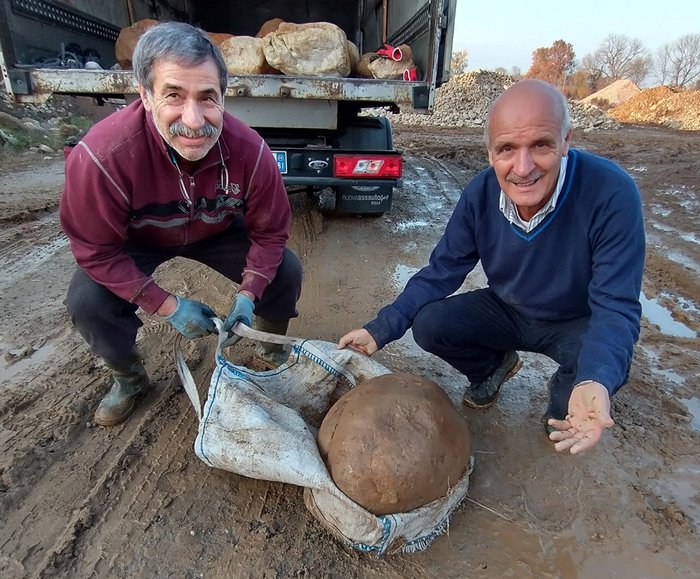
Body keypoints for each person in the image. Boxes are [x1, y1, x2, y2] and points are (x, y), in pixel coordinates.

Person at [338, 79, 645, 455]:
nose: (523, 167)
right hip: (509, 310)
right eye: (507, 149)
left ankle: (568, 389)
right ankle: (493, 367)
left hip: (576, 322)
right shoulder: (480, 194)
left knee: (577, 402)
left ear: (566, 140)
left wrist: (595, 378)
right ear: (489, 153)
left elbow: (616, 307)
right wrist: (381, 328)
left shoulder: (611, 193)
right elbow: (442, 271)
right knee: (432, 323)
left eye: (541, 145)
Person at [60, 22, 302, 427]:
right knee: (88, 301)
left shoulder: (251, 152)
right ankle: (129, 378)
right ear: (144, 94)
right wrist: (167, 305)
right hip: (139, 238)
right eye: (173, 95)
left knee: (285, 271)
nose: (193, 120)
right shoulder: (101, 157)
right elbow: (96, 250)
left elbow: (270, 233)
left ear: (224, 96)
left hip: (215, 229)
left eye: (208, 98)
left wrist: (249, 293)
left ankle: (270, 353)